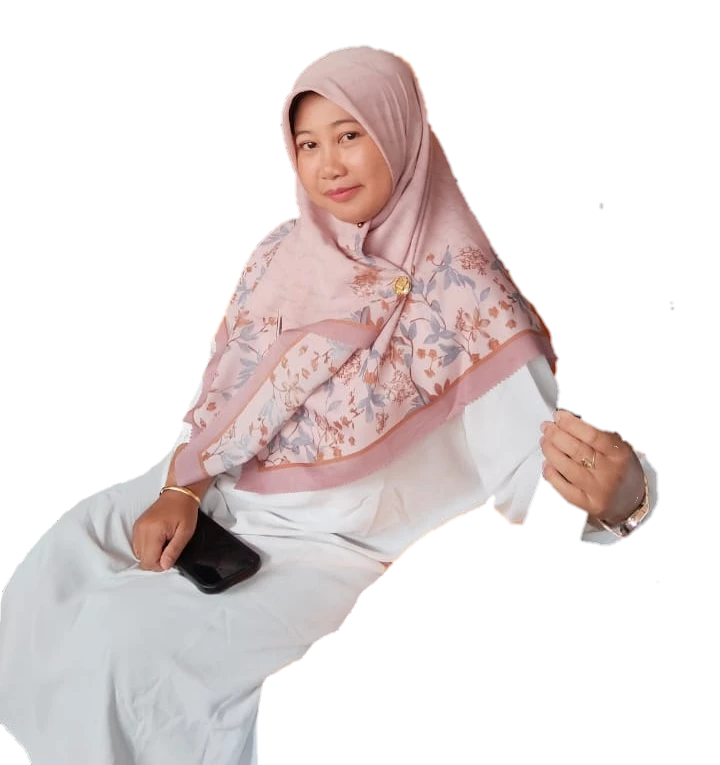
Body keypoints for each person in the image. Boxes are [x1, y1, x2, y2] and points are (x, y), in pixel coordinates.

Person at [0, 45, 658, 764]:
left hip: (328, 550)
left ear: (399, 134)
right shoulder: (284, 252)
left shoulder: (463, 288)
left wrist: (624, 502)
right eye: (308, 144)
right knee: (50, 568)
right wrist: (183, 487)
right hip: (223, 496)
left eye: (350, 135)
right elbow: (225, 395)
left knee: (122, 646)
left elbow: (537, 463)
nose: (328, 166)